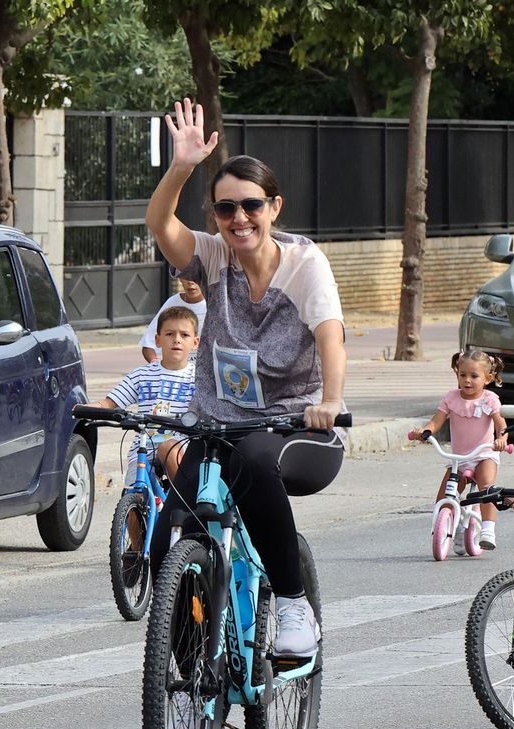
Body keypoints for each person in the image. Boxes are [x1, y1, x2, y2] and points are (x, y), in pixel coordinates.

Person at [145, 99, 348, 665]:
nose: (240, 218)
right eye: (226, 208)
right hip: (219, 428)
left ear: (274, 207)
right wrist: (182, 166)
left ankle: (294, 606)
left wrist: (330, 400)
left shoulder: (305, 265)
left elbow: (331, 337)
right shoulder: (214, 258)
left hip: (297, 429)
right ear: (215, 215)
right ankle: (188, 681)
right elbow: (161, 224)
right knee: (170, 534)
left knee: (256, 459)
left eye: (252, 205)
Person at [91, 303, 199, 479]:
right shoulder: (143, 374)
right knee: (135, 490)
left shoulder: (199, 378)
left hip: (182, 447)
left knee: (168, 447)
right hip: (143, 448)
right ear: (157, 340)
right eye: (169, 334)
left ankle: (183, 495)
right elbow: (109, 403)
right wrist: (83, 408)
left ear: (195, 342)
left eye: (184, 335)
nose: (177, 340)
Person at [416, 350, 509, 550]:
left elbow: (501, 425)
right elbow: (436, 422)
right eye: (462, 375)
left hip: (484, 455)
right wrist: (425, 432)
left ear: (487, 378)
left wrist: (501, 439)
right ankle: (453, 526)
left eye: (474, 376)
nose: (467, 380)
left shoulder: (490, 399)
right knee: (444, 496)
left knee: (486, 487)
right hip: (458, 458)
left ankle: (488, 529)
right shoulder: (451, 398)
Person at [139, 278, 207, 364]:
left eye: (196, 277)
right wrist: (155, 364)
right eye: (186, 277)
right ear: (180, 279)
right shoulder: (173, 303)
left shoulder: (217, 304)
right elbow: (148, 344)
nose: (191, 282)